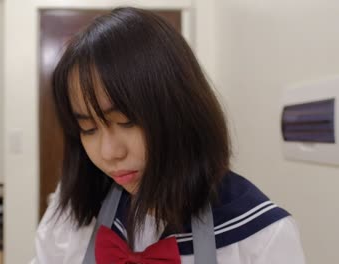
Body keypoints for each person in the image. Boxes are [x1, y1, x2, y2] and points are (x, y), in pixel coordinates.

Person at [31, 7, 305, 264]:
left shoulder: (262, 236)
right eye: (88, 129)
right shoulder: (72, 212)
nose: (109, 153)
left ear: (179, 109)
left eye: (126, 122)